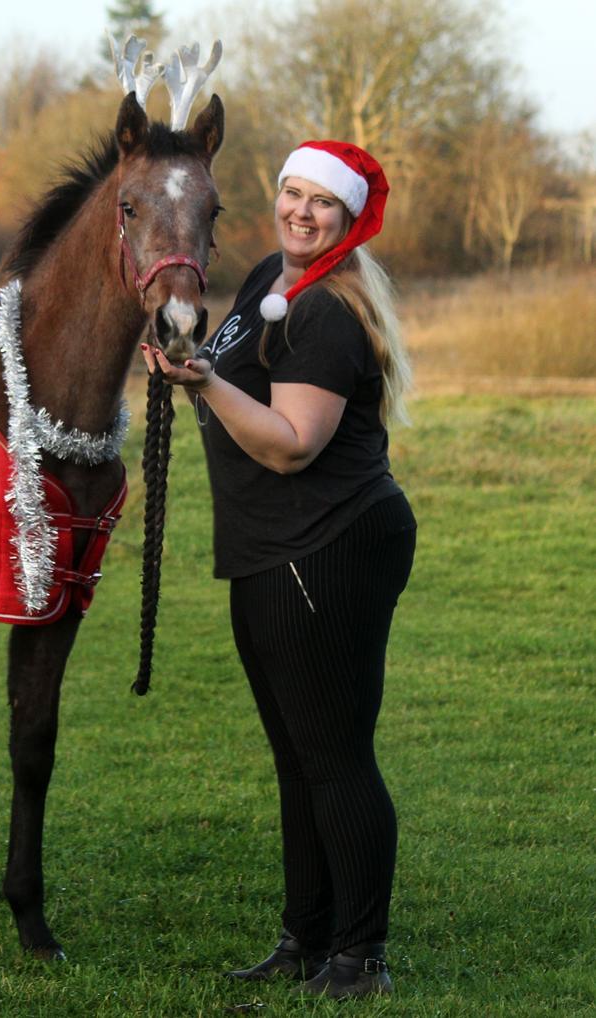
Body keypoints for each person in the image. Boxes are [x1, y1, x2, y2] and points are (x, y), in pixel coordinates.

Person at [141, 140, 417, 999]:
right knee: (297, 757)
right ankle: (306, 938)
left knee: (334, 758)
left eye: (321, 203)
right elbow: (226, 366)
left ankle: (360, 956)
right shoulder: (270, 277)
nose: (301, 211)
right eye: (292, 193)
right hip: (271, 547)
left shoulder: (326, 313)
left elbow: (293, 445)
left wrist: (200, 385)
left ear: (348, 218)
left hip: (328, 546)